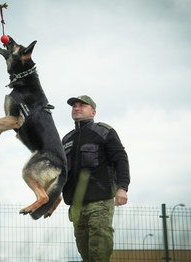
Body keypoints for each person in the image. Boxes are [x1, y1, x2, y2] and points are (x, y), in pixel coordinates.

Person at [62, 95, 130, 262]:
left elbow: (120, 159)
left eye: (82, 106)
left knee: (99, 252)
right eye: (74, 106)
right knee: (85, 254)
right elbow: (62, 172)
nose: (77, 108)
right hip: (76, 206)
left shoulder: (104, 132)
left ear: (93, 112)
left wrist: (123, 187)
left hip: (100, 201)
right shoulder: (67, 139)